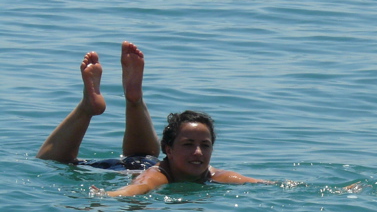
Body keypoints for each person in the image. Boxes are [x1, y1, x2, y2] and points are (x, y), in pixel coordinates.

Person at [37, 42, 270, 197]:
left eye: (205, 145)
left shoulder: (214, 174)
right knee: (52, 161)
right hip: (116, 169)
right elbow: (140, 186)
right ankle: (87, 107)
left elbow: (252, 182)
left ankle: (134, 97)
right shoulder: (158, 176)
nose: (198, 152)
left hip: (145, 159)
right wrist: (108, 195)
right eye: (188, 145)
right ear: (168, 149)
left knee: (144, 155)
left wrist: (285, 186)